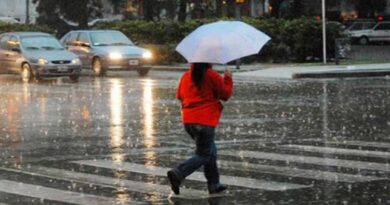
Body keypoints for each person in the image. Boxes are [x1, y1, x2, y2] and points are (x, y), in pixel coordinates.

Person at [167, 62, 233, 195]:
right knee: (203, 154)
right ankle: (179, 173)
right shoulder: (211, 75)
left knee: (210, 151)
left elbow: (180, 96)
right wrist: (228, 78)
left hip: (189, 121)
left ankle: (214, 184)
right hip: (205, 121)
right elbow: (225, 95)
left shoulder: (186, 75)